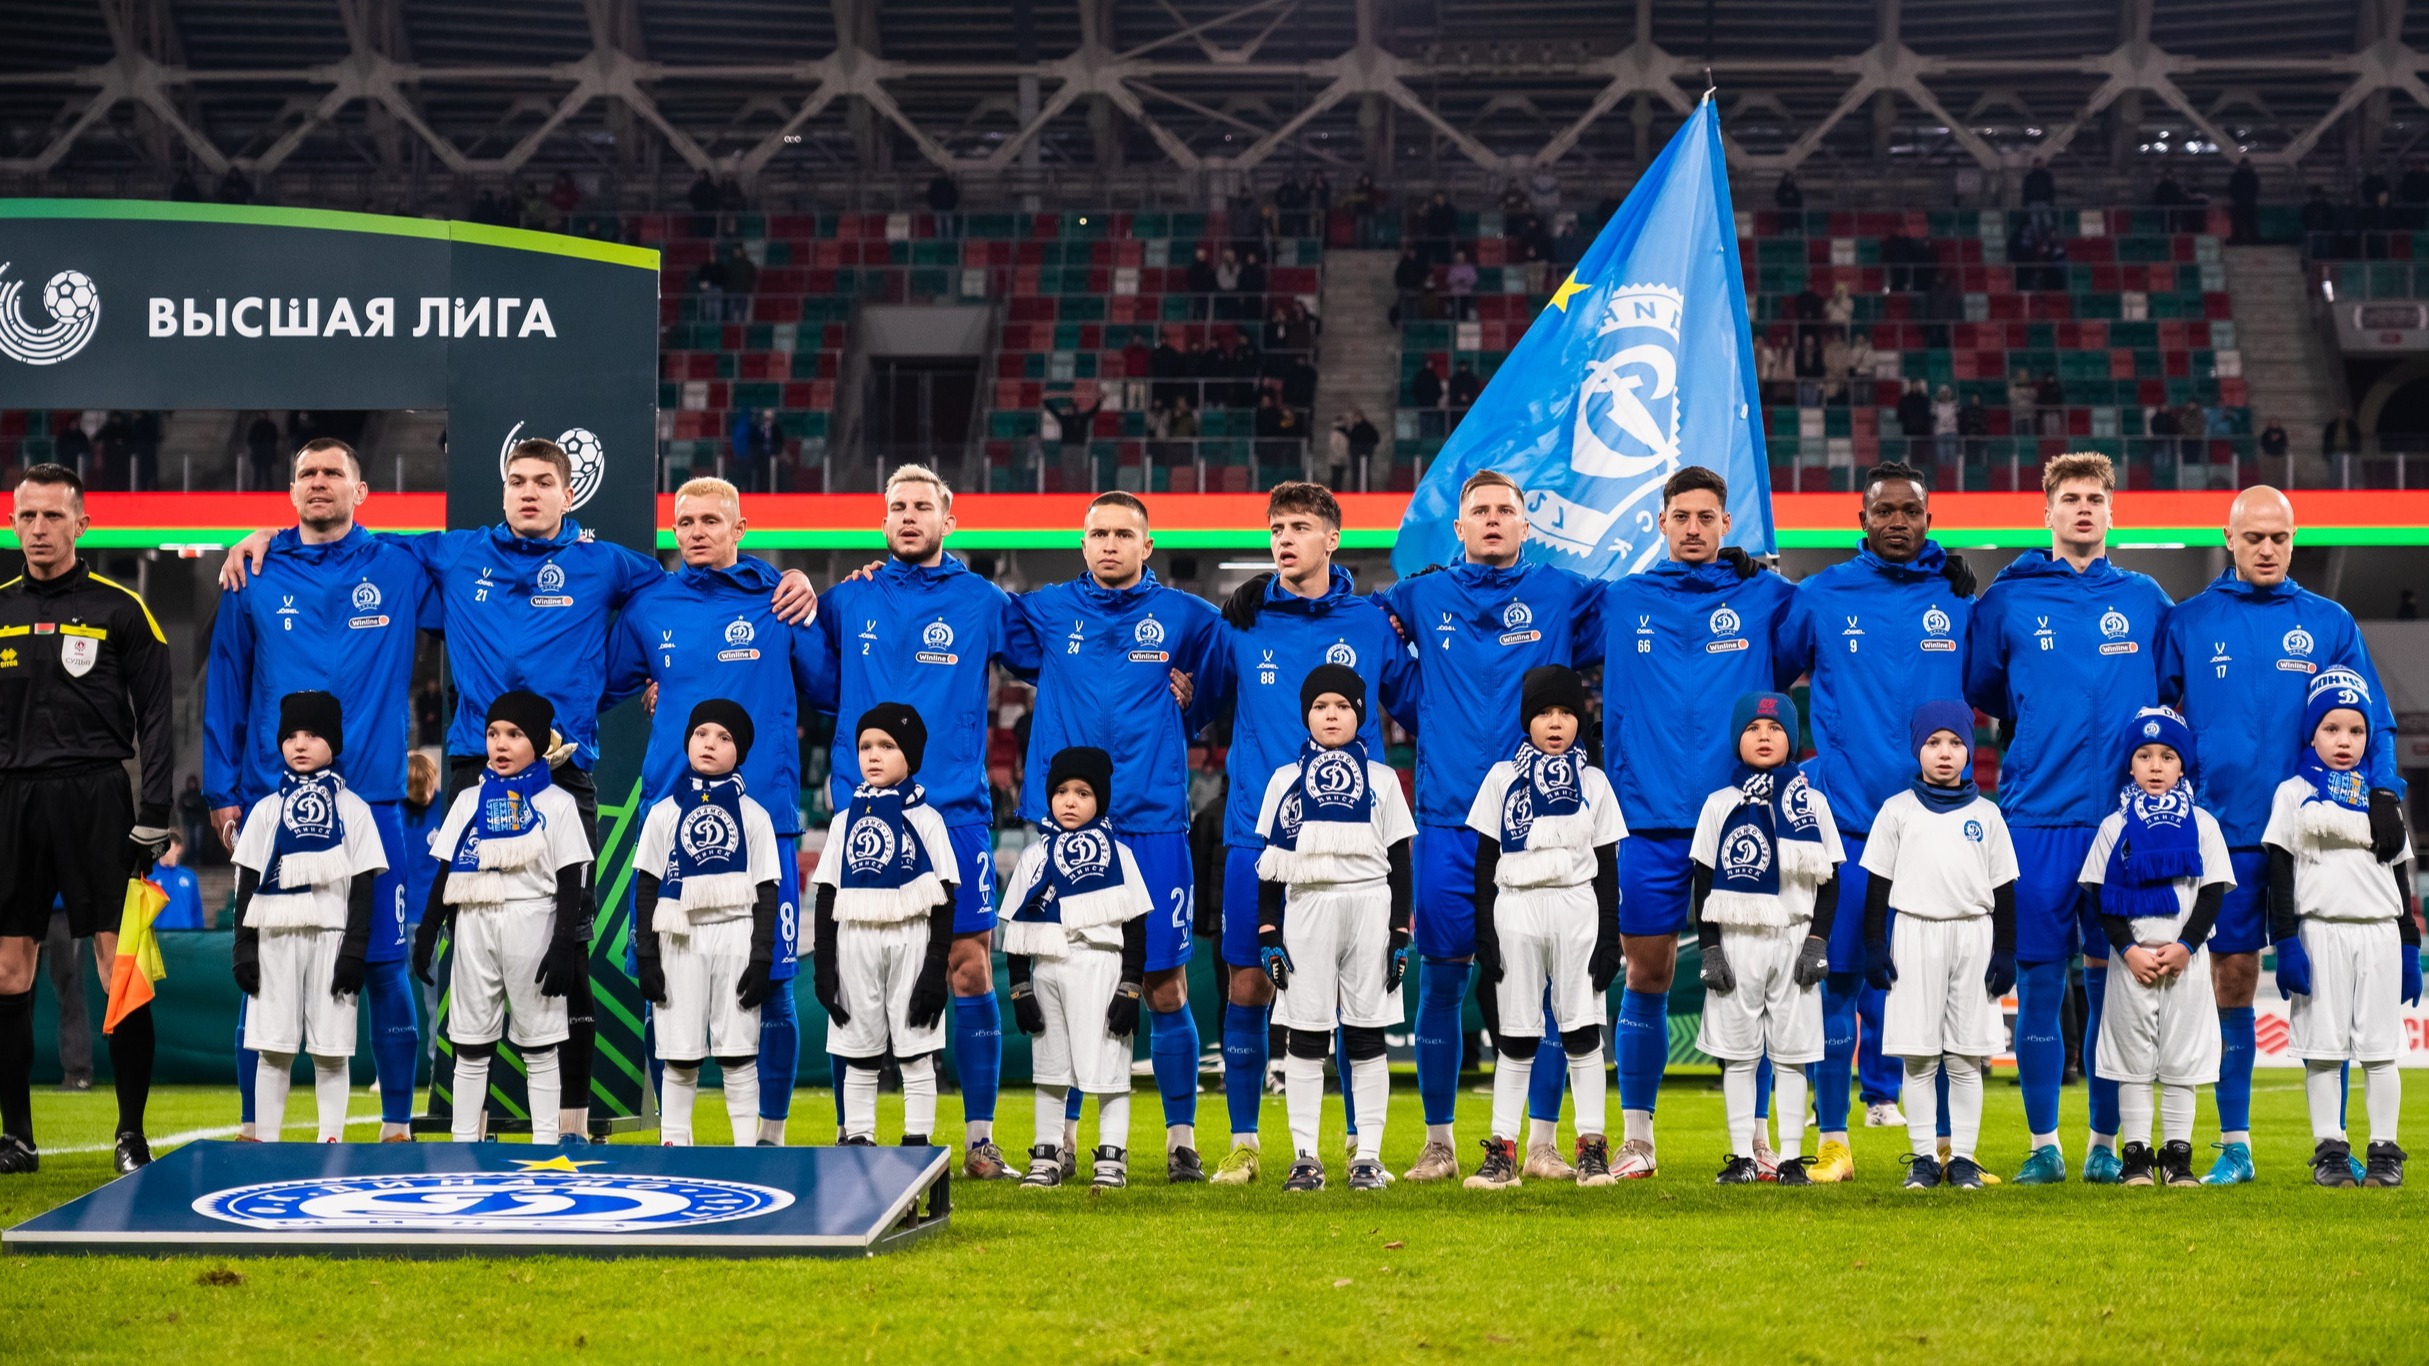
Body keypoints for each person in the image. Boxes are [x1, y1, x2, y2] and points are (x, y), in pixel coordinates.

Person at [224, 438, 817, 1144]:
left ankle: (571, 1123)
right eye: (517, 481)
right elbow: (345, 540)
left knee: (572, 944)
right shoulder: (454, 553)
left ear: (568, 494)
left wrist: (786, 576)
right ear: (503, 491)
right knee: (468, 944)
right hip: (476, 772)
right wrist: (270, 538)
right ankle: (466, 1125)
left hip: (564, 774)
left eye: (542, 481)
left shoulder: (609, 565)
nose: (528, 492)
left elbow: (687, 591)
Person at [2156, 486, 2404, 1184]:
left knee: (2328, 988)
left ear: (2293, 540)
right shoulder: (2189, 620)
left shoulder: (2328, 621)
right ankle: (2235, 1146)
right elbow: (2157, 722)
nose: (2267, 549)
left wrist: (2385, 792)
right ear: (2228, 539)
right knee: (2233, 978)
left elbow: (2373, 719)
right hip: (2229, 831)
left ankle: (2340, 1146)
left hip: (2318, 837)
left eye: (2280, 537)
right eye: (2254, 537)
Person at [205, 436, 437, 1142]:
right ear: (290, 490)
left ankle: (395, 1125)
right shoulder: (254, 572)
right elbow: (226, 683)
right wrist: (220, 789)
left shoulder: (401, 564)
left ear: (360, 491)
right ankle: (254, 1125)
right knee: (265, 964)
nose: (319, 482)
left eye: (334, 472)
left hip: (375, 801)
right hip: (271, 801)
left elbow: (492, 572)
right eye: (306, 472)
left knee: (385, 964)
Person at [1375, 470, 1605, 1183]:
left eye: (1507, 509)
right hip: (1448, 818)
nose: (1494, 519)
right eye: (1481, 510)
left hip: (1542, 825)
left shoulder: (1562, 591)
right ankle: (1438, 1143)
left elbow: (1641, 614)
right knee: (1443, 982)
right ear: (1460, 527)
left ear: (1526, 525)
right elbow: (1353, 621)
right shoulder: (1421, 596)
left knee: (1543, 991)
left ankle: (1541, 1145)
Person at [1002, 492, 1223, 1182]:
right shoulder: (1044, 610)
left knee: (1164, 985)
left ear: (1146, 545)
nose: (1108, 544)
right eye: (1097, 533)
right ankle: (1063, 1142)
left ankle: (1180, 1139)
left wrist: (1193, 702)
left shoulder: (1187, 616)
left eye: (1123, 534)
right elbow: (975, 614)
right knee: (1065, 981)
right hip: (1067, 829)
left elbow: (1225, 677)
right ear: (1082, 542)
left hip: (1152, 820)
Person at [1965, 451, 2173, 1184]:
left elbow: (2169, 694)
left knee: (2119, 992)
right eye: (2070, 498)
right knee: (2040, 984)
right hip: (2036, 818)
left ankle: (2103, 1146)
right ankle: (2043, 1145)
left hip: (2125, 825)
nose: (2083, 509)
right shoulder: (2008, 600)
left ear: (2111, 511)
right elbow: (1985, 687)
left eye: (2094, 498)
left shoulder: (2146, 600)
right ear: (2047, 511)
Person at [804, 466, 1018, 1175]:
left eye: (922, 506)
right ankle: (854, 1134)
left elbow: (1058, 655)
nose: (907, 516)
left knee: (968, 966)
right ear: (883, 519)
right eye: (897, 506)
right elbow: (786, 661)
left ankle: (979, 1140)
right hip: (863, 812)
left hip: (953, 810)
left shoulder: (982, 601)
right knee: (854, 970)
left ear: (947, 521)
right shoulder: (848, 598)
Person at [602, 477, 825, 1149]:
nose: (695, 532)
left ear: (739, 528)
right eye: (684, 521)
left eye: (710, 520)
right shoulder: (650, 607)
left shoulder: (779, 599)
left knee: (773, 982)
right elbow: (599, 683)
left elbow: (829, 686)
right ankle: (675, 1137)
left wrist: (815, 595)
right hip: (670, 825)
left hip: (763, 821)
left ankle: (770, 1137)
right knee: (662, 981)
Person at [1205, 485, 1415, 1184]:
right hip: (1258, 835)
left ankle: (1360, 1147)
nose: (1284, 539)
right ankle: (1245, 1143)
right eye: (1275, 528)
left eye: (1299, 526)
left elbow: (1418, 703)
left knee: (1357, 999)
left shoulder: (1371, 623)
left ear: (1332, 538)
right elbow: (1198, 701)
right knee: (1248, 984)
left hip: (1357, 851)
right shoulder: (1242, 619)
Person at [1776, 462, 1978, 1181]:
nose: (1897, 522)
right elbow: (1771, 670)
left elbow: (1995, 682)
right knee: (1836, 985)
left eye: (1909, 511)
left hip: (1937, 831)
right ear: (1861, 521)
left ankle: (1949, 1150)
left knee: (1943, 995)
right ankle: (1834, 1143)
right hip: (1851, 826)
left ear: (1929, 520)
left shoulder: (1958, 597)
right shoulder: (1822, 596)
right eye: (1883, 511)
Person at [1595, 466, 1797, 1179]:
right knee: (1645, 973)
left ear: (1726, 525)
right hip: (1647, 819)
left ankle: (1756, 1138)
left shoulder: (1765, 596)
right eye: (1680, 516)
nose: (1692, 528)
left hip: (1743, 818)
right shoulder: (1621, 600)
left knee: (1754, 981)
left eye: (1706, 517)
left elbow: (1833, 620)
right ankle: (1637, 1138)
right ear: (1660, 522)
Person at [0, 463, 175, 1175]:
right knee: (8, 971)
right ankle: (16, 1139)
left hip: (100, 800)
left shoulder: (121, 607)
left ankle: (130, 1135)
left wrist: (155, 810)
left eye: (52, 515)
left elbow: (157, 716)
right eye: (27, 516)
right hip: (11, 800)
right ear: (14, 524)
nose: (39, 529)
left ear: (81, 522)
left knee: (119, 967)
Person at [1253, 663, 1416, 1192]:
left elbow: (1401, 862)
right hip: (1308, 907)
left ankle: (1367, 1156)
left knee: (1367, 1033)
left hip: (1370, 905)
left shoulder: (1383, 779)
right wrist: (1268, 933)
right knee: (1305, 1034)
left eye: (1343, 706)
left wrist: (1400, 933)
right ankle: (1305, 1157)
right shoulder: (1285, 780)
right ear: (1306, 715)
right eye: (1321, 706)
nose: (1331, 715)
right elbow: (1270, 864)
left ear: (1360, 715)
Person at [1463, 666, 1626, 1190]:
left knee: (1582, 1031)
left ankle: (1592, 1150)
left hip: (1577, 906)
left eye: (1566, 713)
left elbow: (1608, 864)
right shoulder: (1501, 777)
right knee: (1515, 1035)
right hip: (1516, 908)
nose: (1555, 723)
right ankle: (1502, 1153)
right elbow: (1484, 859)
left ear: (1579, 720)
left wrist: (1609, 934)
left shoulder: (1595, 782)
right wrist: (1484, 930)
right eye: (1544, 713)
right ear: (1526, 720)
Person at [410, 691, 593, 1144]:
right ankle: (463, 1142)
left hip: (533, 922)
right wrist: (429, 928)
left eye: (514, 734)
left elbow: (572, 879)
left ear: (539, 742)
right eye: (493, 733)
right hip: (474, 922)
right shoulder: (468, 800)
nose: (501, 744)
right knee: (470, 1044)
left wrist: (563, 944)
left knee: (541, 1044)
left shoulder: (557, 803)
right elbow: (446, 870)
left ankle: (547, 1143)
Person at [2266, 674, 2418, 1188]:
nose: (2344, 740)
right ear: (2312, 734)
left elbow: (2399, 876)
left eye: (2356, 730)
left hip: (2379, 936)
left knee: (2380, 1051)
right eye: (2331, 728)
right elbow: (2280, 872)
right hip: (2320, 934)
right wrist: (2286, 941)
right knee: (2323, 1051)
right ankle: (2330, 1149)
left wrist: (2410, 944)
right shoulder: (2293, 793)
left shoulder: (2382, 798)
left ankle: (2384, 1152)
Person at [1862, 699, 2019, 1190]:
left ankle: (1964, 1158)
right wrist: (1873, 941)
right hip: (1914, 933)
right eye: (1933, 742)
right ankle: (1924, 1158)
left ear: (1970, 750)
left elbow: (2004, 889)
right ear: (1918, 749)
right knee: (1920, 1057)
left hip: (1973, 936)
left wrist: (2006, 949)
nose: (1945, 752)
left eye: (1955, 742)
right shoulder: (1897, 811)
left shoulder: (1988, 815)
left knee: (1965, 1057)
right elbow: (1877, 884)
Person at [2076, 706, 2234, 1188]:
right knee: (2133, 1064)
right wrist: (2128, 950)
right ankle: (2137, 1157)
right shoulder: (2114, 825)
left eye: (2167, 755)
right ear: (2130, 765)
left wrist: (2186, 945)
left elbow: (2212, 893)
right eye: (2144, 755)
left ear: (2182, 765)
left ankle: (2178, 1158)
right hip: (2133, 963)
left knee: (2182, 1062)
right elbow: (2101, 898)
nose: (2156, 766)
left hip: (2187, 962)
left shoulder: (2203, 824)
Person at [1693, 691, 1841, 1186]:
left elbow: (1831, 882)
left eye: (1776, 729)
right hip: (1737, 939)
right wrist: (1710, 947)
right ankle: (1742, 1157)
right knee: (1739, 1055)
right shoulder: (1719, 804)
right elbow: (1702, 880)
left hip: (1795, 938)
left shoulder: (1812, 803)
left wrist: (1817, 942)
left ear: (1792, 740)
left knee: (1792, 1057)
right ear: (1737, 739)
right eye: (1753, 728)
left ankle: (1792, 1159)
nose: (1764, 736)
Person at [228, 691, 386, 1145]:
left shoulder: (354, 810)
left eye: (312, 735)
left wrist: (355, 949)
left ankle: (329, 1145)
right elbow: (247, 882)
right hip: (275, 938)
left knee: (331, 1052)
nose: (300, 744)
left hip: (332, 939)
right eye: (292, 735)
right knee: (272, 1051)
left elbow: (364, 886)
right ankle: (267, 1144)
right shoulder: (265, 810)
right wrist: (243, 945)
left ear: (333, 743)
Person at [631, 700, 782, 1148]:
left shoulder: (755, 816)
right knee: (679, 1057)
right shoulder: (663, 813)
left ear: (740, 752)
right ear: (687, 742)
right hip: (679, 939)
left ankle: (746, 1153)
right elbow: (645, 887)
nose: (710, 743)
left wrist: (762, 956)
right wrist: (647, 956)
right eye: (701, 734)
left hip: (735, 936)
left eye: (723, 737)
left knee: (738, 1056)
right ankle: (675, 1149)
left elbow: (767, 891)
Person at [809, 703, 958, 1147]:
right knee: (860, 1054)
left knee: (916, 1052)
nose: (873, 755)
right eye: (865, 746)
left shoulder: (928, 820)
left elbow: (945, 898)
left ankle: (917, 1143)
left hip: (912, 940)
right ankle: (858, 1139)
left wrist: (936, 968)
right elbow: (826, 894)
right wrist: (824, 966)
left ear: (910, 757)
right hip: (855, 940)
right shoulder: (843, 822)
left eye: (887, 746)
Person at [1002, 746, 1150, 1189]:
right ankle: (1047, 1153)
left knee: (1109, 1069)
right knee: (1050, 1071)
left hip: (1101, 964)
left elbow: (1137, 925)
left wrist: (1131, 987)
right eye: (1062, 791)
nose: (1070, 801)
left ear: (1099, 800)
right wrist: (1019, 988)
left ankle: (1111, 1157)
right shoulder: (1034, 856)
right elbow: (1017, 931)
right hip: (1049, 965)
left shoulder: (1119, 855)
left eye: (1083, 793)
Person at [150, 833, 205, 930]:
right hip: (158, 934)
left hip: (185, 934)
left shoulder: (189, 877)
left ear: (178, 848)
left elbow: (196, 909)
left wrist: (198, 933)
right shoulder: (149, 876)